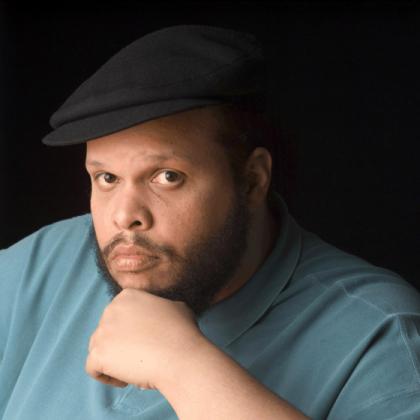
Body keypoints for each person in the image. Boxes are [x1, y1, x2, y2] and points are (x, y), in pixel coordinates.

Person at [0, 24, 419, 420]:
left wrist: (182, 364)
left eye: (167, 177)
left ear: (252, 180)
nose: (125, 216)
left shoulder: (381, 335)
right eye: (107, 178)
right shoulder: (46, 262)